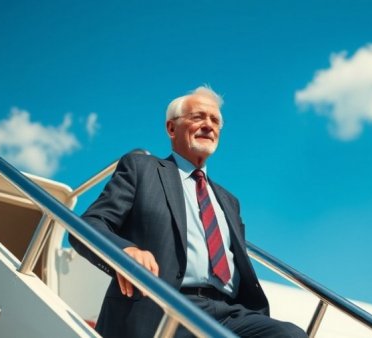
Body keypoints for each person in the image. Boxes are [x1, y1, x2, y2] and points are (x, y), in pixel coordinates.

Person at [69, 86, 307, 338]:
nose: (208, 125)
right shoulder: (141, 169)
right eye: (198, 117)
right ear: (171, 128)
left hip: (229, 312)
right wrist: (125, 251)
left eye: (215, 120)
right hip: (166, 305)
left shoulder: (229, 201)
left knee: (290, 335)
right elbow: (89, 225)